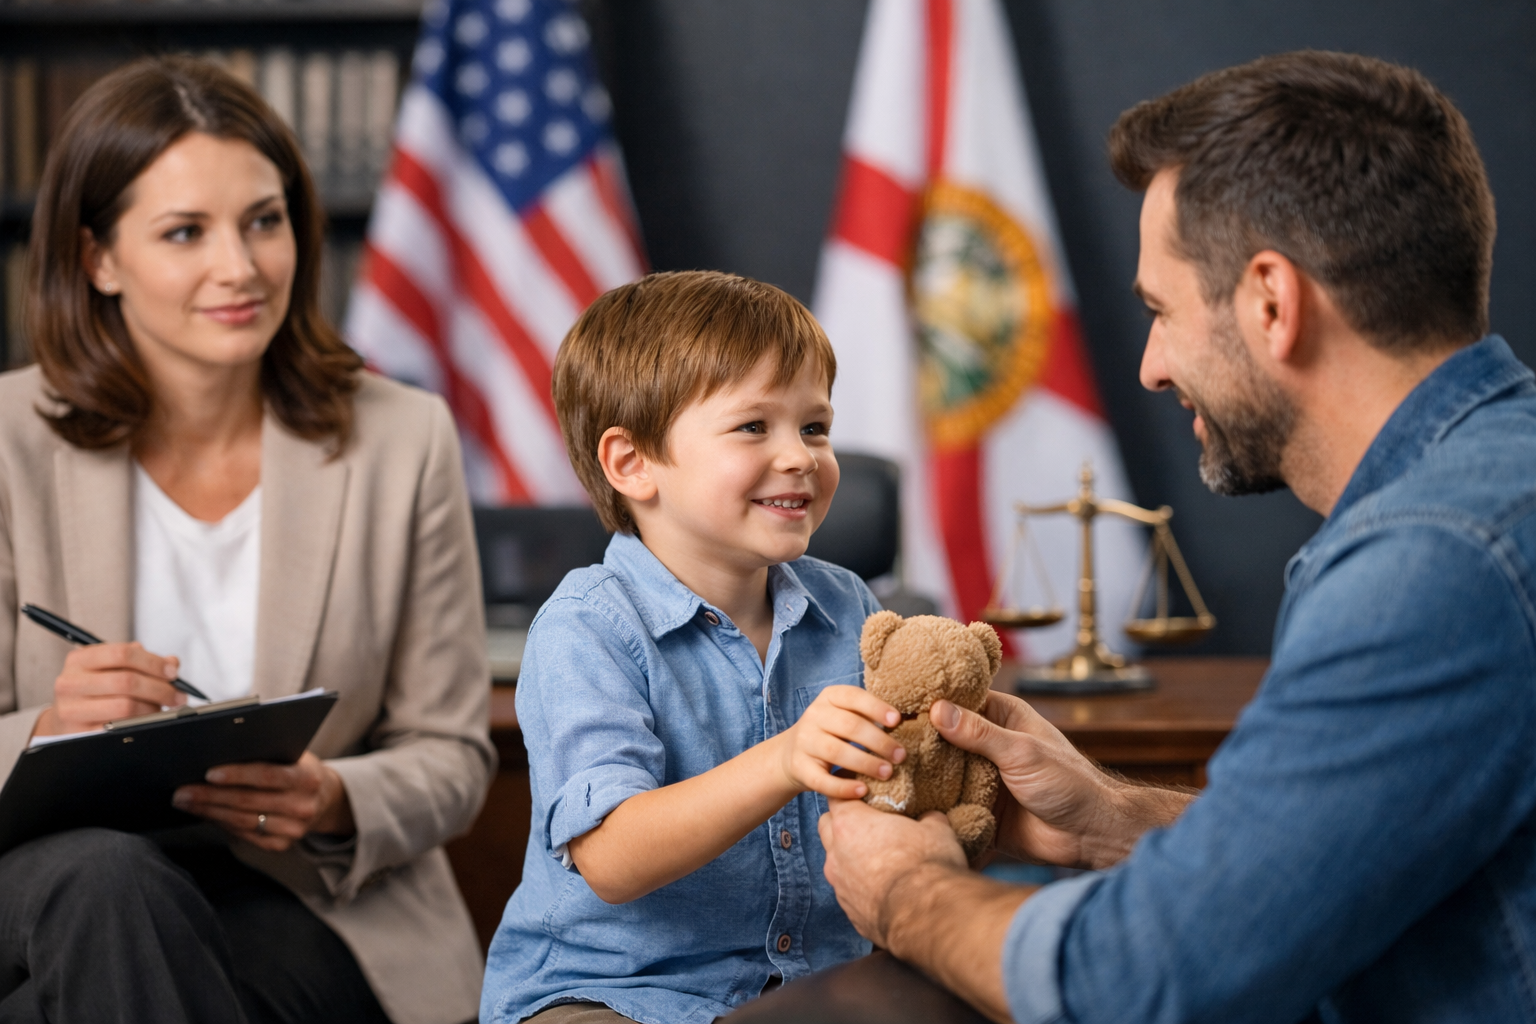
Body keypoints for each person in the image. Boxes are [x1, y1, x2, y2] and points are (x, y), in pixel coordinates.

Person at [818, 49, 1536, 1024]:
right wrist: (1107, 820)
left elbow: (1144, 983)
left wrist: (906, 891)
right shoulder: (1495, 481)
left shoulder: (1436, 563)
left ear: (1272, 303)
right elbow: (1343, 849)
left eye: (1161, 309)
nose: (1153, 366)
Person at [0, 58, 494, 1024]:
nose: (242, 266)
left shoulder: (403, 438)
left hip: (303, 891)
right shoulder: (5, 440)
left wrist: (336, 797)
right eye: (186, 232)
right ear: (98, 258)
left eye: (264, 221)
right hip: (51, 881)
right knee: (107, 882)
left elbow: (452, 754)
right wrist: (46, 728)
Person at [479, 270, 908, 1024]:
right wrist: (782, 760)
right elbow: (611, 857)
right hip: (615, 994)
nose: (801, 456)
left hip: (814, 983)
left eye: (815, 427)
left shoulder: (848, 606)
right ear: (631, 464)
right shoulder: (588, 628)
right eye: (754, 427)